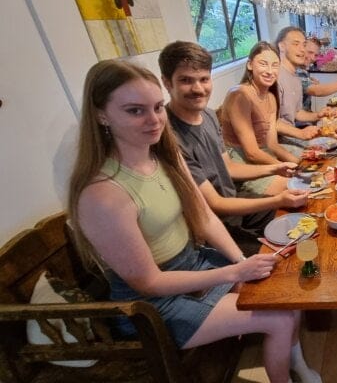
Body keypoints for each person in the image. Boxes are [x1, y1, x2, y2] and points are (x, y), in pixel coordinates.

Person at [67, 59, 321, 383]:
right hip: (154, 305)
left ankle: (296, 364)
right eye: (135, 110)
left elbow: (204, 218)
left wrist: (241, 260)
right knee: (280, 318)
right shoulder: (102, 195)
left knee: (284, 288)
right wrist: (232, 272)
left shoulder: (164, 156)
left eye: (158, 107)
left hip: (194, 263)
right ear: (101, 114)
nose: (154, 120)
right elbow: (149, 282)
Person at [160, 41, 308, 254]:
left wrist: (274, 168)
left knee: (300, 216)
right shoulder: (170, 136)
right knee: (283, 250)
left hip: (233, 204)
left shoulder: (209, 115)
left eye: (204, 79)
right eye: (185, 80)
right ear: (167, 82)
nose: (198, 89)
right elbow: (214, 205)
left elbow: (229, 168)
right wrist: (276, 198)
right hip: (210, 225)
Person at [218, 42, 303, 195]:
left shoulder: (270, 97)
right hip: (240, 161)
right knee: (296, 186)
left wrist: (297, 164)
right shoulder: (239, 95)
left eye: (275, 65)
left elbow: (272, 144)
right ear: (250, 65)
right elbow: (251, 152)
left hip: (263, 154)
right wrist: (282, 167)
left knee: (308, 160)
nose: (270, 71)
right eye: (263, 64)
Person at [274, 26, 321, 141]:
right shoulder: (274, 76)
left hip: (290, 136)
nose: (302, 50)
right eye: (296, 44)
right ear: (282, 46)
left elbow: (297, 112)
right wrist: (300, 133)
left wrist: (319, 115)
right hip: (278, 142)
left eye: (304, 45)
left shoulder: (295, 78)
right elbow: (271, 122)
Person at [301, 36, 337, 112]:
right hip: (300, 122)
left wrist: (309, 80)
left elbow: (304, 85)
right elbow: (316, 91)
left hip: (308, 115)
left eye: (316, 55)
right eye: (310, 52)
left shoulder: (303, 70)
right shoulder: (297, 70)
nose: (313, 58)